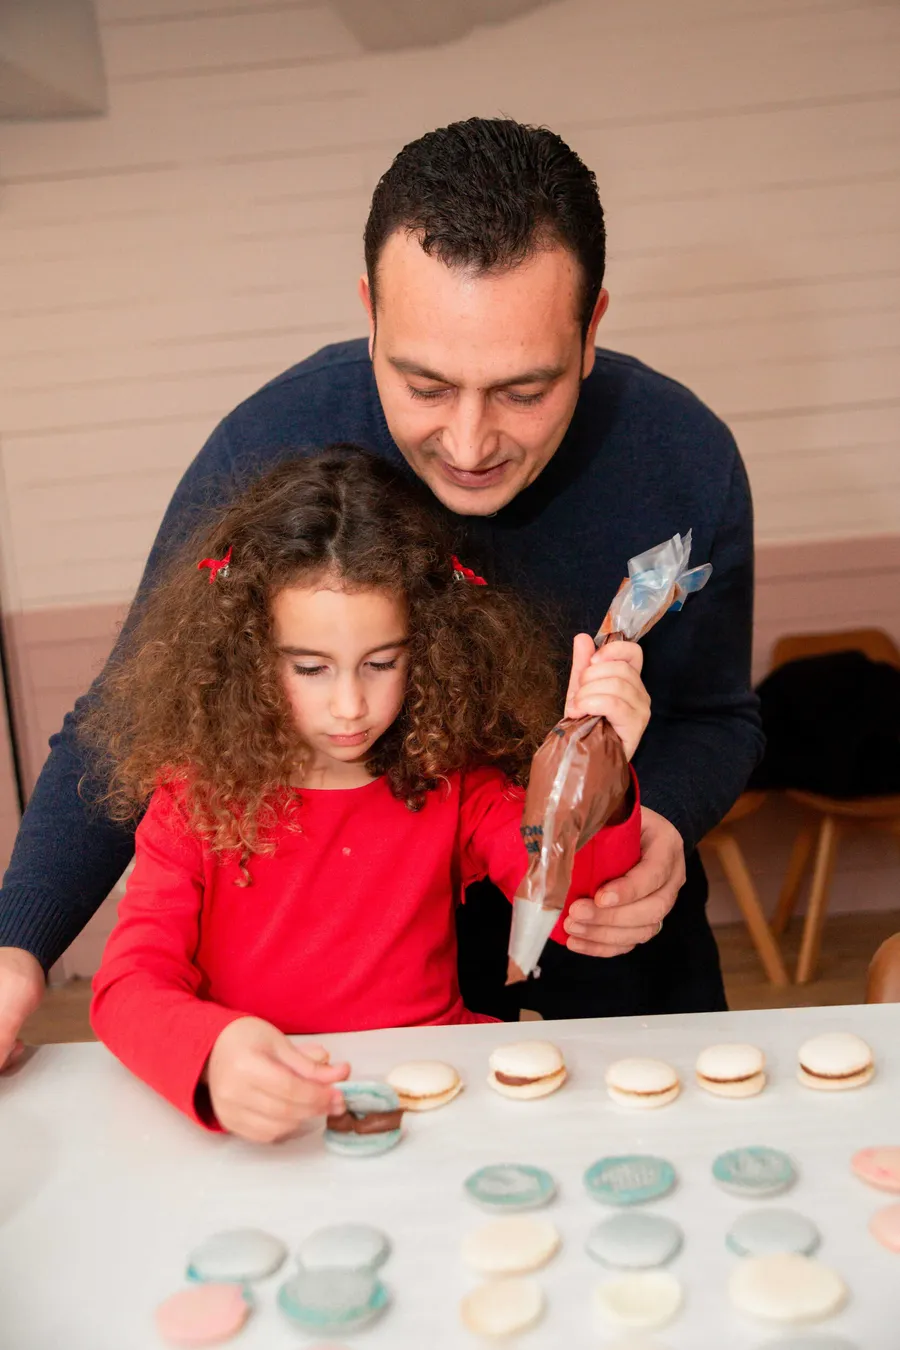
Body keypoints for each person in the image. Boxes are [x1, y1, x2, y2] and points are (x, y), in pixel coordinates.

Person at [0, 117, 763, 1065]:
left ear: (591, 327)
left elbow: (720, 718)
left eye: (525, 391)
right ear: (370, 313)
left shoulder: (684, 458)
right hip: (380, 971)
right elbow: (128, 723)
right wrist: (16, 945)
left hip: (611, 929)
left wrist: (653, 824)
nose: (471, 444)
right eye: (424, 385)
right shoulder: (268, 448)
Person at [85, 448, 648, 1140]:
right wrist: (211, 1054)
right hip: (271, 1117)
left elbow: (578, 907)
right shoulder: (193, 802)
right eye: (312, 668)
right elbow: (127, 988)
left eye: (381, 664)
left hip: (437, 1106)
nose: (350, 705)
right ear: (247, 656)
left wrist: (597, 766)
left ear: (432, 649)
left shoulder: (453, 781)